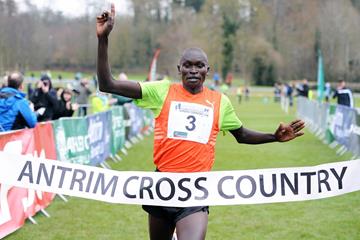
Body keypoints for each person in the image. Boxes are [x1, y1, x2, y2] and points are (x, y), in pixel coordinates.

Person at [96, 4, 305, 240]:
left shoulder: (219, 102)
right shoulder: (162, 91)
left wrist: (274, 137)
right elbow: (108, 85)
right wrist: (103, 40)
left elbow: (242, 135)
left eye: (199, 65)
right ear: (179, 69)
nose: (193, 70)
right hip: (161, 184)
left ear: (208, 69)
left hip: (195, 189)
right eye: (188, 65)